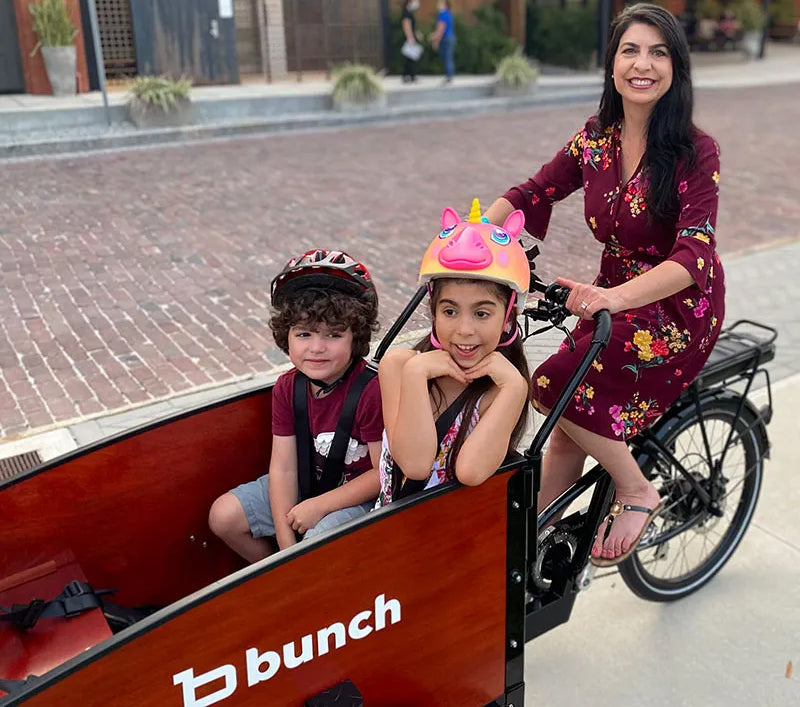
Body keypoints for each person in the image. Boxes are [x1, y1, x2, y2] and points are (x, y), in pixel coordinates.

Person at [483, 3, 725, 567]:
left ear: (676, 67)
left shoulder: (695, 150)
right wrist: (472, 236)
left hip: (676, 307)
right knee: (569, 425)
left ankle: (637, 489)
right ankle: (524, 546)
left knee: (551, 385)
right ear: (612, 64)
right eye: (630, 50)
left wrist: (613, 298)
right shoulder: (596, 139)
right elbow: (533, 191)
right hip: (611, 293)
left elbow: (694, 254)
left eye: (659, 52)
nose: (643, 64)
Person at [208, 250, 383, 562]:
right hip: (309, 483)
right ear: (285, 336)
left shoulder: (372, 390)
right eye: (304, 334)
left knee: (315, 544)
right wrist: (286, 546)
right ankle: (278, 577)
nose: (316, 348)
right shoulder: (288, 387)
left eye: (333, 334)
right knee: (224, 516)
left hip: (359, 499)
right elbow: (284, 467)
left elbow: (382, 474)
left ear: (356, 337)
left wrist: (320, 506)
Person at [376, 199, 531, 506]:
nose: (464, 329)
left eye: (482, 314)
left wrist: (516, 387)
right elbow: (415, 464)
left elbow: (472, 472)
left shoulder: (500, 389)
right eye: (450, 311)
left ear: (508, 319)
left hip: (454, 537)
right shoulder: (399, 366)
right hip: (389, 530)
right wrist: (416, 373)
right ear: (433, 313)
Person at [430, 0, 455, 84]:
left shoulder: (442, 14)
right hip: (450, 38)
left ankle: (449, 76)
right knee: (448, 57)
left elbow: (441, 29)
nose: (438, 5)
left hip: (446, 39)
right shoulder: (449, 14)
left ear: (445, 5)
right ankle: (449, 75)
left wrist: (435, 39)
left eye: (440, 3)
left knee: (446, 58)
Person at [400, 0, 421, 83]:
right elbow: (406, 25)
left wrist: (417, 34)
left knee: (411, 57)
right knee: (409, 57)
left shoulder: (410, 13)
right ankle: (407, 75)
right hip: (409, 38)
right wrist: (410, 37)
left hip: (411, 37)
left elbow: (412, 26)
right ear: (409, 3)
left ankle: (410, 75)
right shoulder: (407, 13)